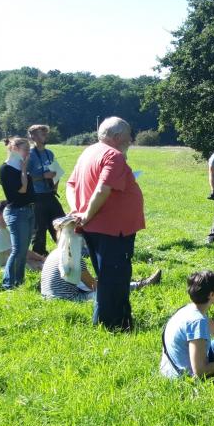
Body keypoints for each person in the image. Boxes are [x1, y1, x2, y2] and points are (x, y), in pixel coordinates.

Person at [66, 116, 145, 331]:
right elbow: (102, 189)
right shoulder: (114, 156)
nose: (131, 140)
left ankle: (114, 320)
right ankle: (114, 325)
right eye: (129, 137)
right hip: (113, 230)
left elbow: (70, 185)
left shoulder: (89, 151)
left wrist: (79, 211)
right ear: (118, 137)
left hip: (97, 228)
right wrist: (86, 214)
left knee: (108, 277)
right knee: (115, 279)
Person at [40, 219, 161, 301]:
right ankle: (140, 285)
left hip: (48, 296)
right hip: (68, 298)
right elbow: (94, 286)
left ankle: (135, 284)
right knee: (109, 290)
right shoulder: (74, 258)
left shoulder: (55, 253)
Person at [0, 137, 36, 289]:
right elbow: (22, 189)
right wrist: (25, 170)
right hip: (16, 213)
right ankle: (8, 284)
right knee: (18, 250)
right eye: (25, 149)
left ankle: (18, 281)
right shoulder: (5, 169)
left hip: (28, 210)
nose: (28, 152)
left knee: (23, 250)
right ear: (14, 149)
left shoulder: (20, 166)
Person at [27, 124, 66, 256]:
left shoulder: (49, 153)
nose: (45, 135)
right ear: (32, 136)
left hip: (50, 194)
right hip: (36, 197)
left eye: (45, 133)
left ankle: (66, 250)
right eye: (41, 133)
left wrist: (54, 186)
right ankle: (39, 255)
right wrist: (42, 176)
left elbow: (57, 172)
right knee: (39, 229)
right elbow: (23, 178)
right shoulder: (29, 155)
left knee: (62, 223)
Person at [0, 200, 44, 270]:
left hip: (2, 264)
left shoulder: (3, 228)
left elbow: (19, 251)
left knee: (29, 262)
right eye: (9, 212)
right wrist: (41, 258)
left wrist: (39, 259)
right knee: (25, 266)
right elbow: (18, 253)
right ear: (0, 214)